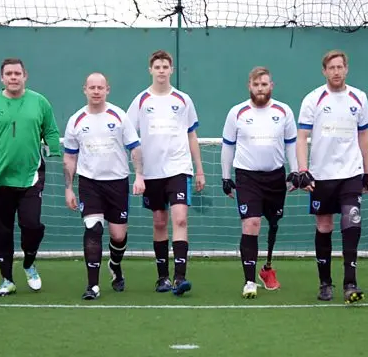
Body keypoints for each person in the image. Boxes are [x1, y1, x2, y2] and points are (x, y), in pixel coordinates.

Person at [0, 58, 61, 297]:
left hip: (30, 178)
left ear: (25, 76)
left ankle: (29, 263)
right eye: (9, 73)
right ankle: (6, 279)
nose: (13, 77)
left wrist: (54, 148)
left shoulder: (40, 102)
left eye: (17, 73)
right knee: (1, 231)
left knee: (32, 225)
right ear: (2, 78)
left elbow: (51, 130)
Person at [293, 50, 368, 304]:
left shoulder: (359, 98)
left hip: (351, 172)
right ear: (324, 71)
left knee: (352, 223)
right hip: (322, 175)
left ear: (346, 69)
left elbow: (364, 136)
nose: (336, 71)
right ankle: (325, 282)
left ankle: (350, 283)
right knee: (324, 226)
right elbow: (302, 138)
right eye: (331, 67)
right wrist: (303, 170)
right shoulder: (313, 99)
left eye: (340, 67)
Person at [126, 50, 205, 296]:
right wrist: (138, 172)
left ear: (172, 70)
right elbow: (130, 137)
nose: (161, 70)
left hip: (179, 169)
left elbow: (192, 135)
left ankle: (180, 277)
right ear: (150, 70)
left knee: (180, 219)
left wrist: (199, 170)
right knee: (160, 221)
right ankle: (162, 278)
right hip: (151, 173)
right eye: (157, 66)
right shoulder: (140, 101)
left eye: (165, 66)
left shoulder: (183, 100)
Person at [63, 72, 144, 300]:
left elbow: (135, 149)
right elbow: (70, 157)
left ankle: (115, 265)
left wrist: (139, 176)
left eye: (100, 87)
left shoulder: (119, 116)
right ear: (85, 90)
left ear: (107, 89)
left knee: (118, 236)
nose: (96, 91)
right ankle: (93, 286)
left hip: (117, 183)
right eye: (92, 87)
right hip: (89, 184)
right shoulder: (76, 120)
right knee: (93, 229)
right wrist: (69, 188)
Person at [220, 66, 298, 298]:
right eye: (256, 84)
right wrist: (226, 177)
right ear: (249, 86)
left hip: (275, 176)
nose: (260, 88)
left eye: (264, 84)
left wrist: (294, 171)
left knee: (273, 224)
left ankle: (267, 269)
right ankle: (249, 281)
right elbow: (228, 146)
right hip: (247, 177)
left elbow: (292, 144)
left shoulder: (284, 112)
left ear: (271, 86)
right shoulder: (237, 112)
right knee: (251, 224)